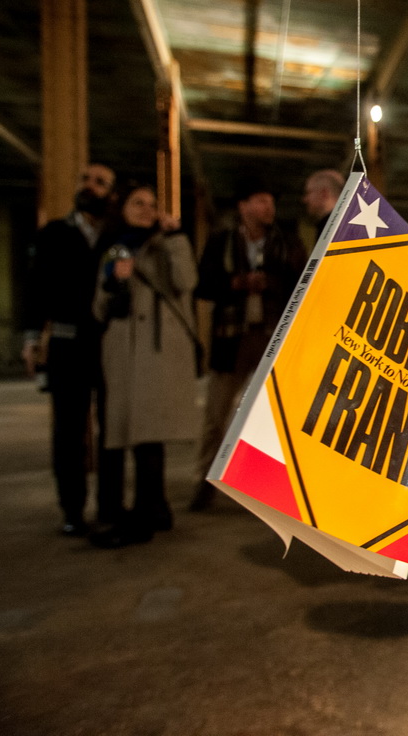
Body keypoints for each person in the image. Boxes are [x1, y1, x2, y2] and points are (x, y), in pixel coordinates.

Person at [89, 185, 199, 547]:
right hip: (121, 355)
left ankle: (149, 510)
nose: (146, 209)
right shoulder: (113, 250)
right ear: (121, 208)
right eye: (137, 202)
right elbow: (99, 309)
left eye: (152, 204)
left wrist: (177, 238)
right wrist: (113, 282)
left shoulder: (166, 246)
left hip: (155, 356)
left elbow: (186, 282)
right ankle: (112, 512)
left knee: (149, 434)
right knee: (115, 434)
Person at [188, 186, 306, 510]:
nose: (269, 207)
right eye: (261, 201)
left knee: (276, 416)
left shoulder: (287, 243)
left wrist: (271, 284)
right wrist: (236, 283)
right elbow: (202, 286)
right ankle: (204, 483)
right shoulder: (221, 241)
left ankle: (273, 488)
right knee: (216, 415)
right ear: (243, 206)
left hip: (273, 337)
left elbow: (304, 284)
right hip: (231, 339)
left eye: (271, 201)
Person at [22, 162, 118, 535]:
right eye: (85, 180)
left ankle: (109, 506)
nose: (89, 186)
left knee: (113, 430)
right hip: (67, 343)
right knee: (68, 431)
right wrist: (32, 338)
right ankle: (72, 510)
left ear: (111, 194)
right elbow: (36, 288)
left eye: (100, 182)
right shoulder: (54, 234)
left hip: (109, 345)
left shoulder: (115, 237)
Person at [303, 169, 345, 237]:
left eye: (308, 192)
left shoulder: (329, 229)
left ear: (324, 193)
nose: (305, 199)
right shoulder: (348, 224)